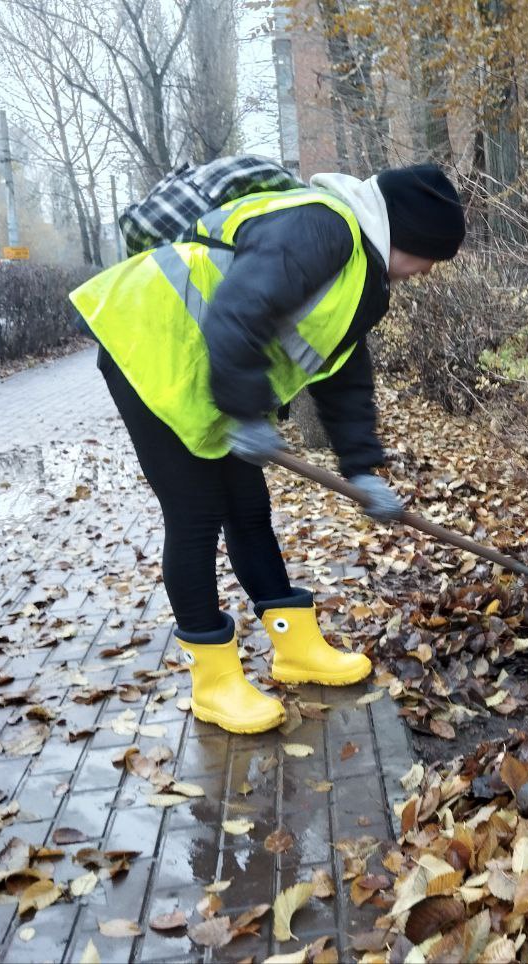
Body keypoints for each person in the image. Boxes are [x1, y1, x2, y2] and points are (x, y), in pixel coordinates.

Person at [69, 163, 466, 734]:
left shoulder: (361, 271)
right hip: (151, 348)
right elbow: (240, 311)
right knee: (197, 514)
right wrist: (246, 411)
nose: (427, 271)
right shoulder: (321, 228)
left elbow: (343, 372)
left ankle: (295, 648)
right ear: (407, 234)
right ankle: (214, 683)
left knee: (249, 510)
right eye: (430, 257)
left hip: (203, 363)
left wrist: (362, 467)